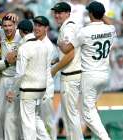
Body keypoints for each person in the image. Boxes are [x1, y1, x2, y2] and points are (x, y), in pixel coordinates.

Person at [71, 1, 116, 139]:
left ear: (90, 14)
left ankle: (104, 137)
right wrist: (102, 15)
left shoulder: (84, 31)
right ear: (102, 14)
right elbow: (108, 22)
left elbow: (67, 49)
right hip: (105, 76)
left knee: (87, 112)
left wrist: (61, 43)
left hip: (90, 75)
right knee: (89, 108)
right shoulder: (111, 29)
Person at [8, 19, 50, 140]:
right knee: (35, 118)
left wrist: (12, 91)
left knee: (27, 123)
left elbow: (20, 73)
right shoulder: (43, 45)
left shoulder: (24, 48)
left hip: (29, 89)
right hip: (42, 88)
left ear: (21, 32)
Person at [50, 2, 84, 140]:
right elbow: (67, 53)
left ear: (68, 13)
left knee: (71, 115)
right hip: (74, 75)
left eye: (60, 12)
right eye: (56, 12)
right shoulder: (70, 25)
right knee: (69, 115)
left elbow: (70, 54)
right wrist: (55, 60)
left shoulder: (68, 28)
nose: (57, 15)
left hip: (71, 76)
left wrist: (54, 69)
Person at [33, 16, 58, 140]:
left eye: (40, 26)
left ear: (46, 28)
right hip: (35, 87)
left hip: (45, 89)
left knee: (47, 120)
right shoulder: (34, 42)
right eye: (35, 25)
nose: (36, 28)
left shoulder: (48, 46)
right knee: (35, 119)